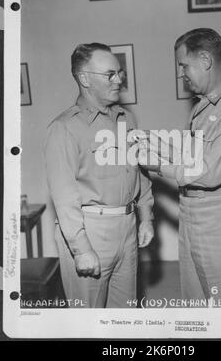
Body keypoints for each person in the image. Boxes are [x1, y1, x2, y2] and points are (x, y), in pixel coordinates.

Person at [140, 28, 221, 305]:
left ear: (205, 60)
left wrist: (158, 166)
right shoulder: (203, 108)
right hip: (193, 211)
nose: (181, 74)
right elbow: (194, 155)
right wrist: (155, 142)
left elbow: (208, 173)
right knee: (196, 304)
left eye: (184, 65)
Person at [45, 43, 154, 308]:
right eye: (110, 74)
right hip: (90, 230)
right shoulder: (64, 128)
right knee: (88, 319)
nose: (119, 80)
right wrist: (81, 249)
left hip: (127, 229)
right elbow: (64, 195)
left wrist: (146, 217)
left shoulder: (126, 119)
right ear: (84, 79)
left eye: (120, 73)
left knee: (125, 314)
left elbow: (139, 171)